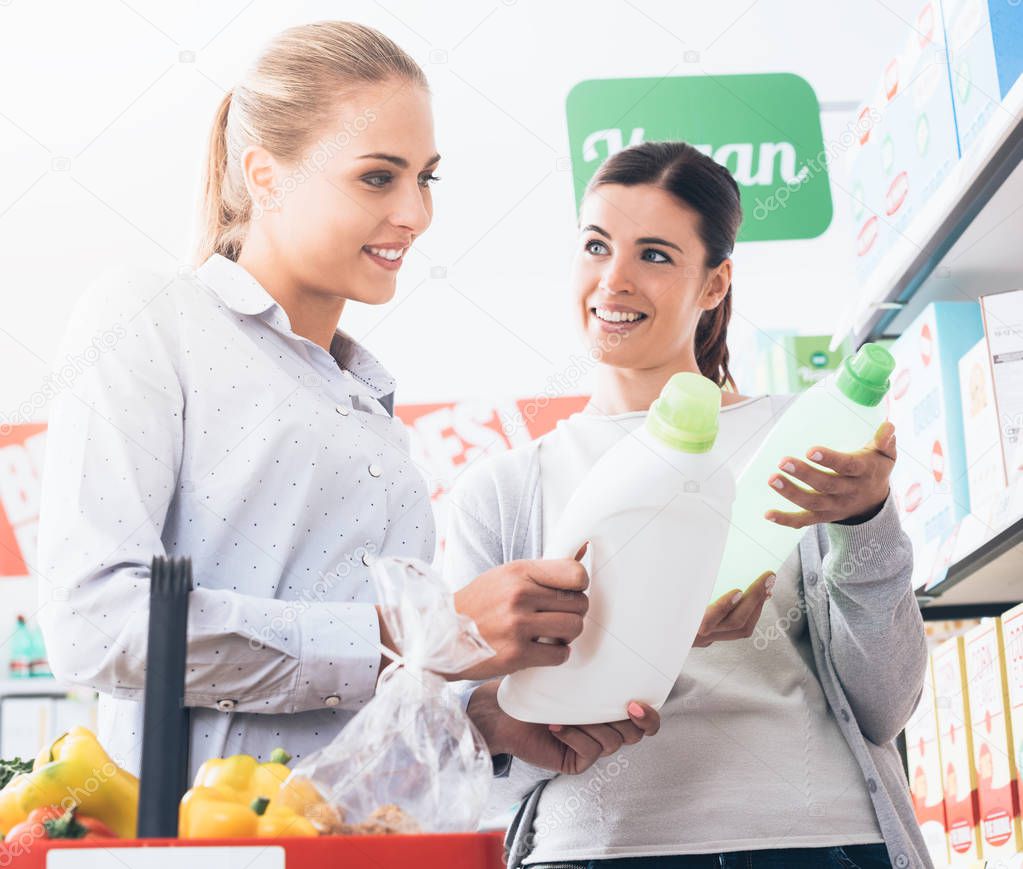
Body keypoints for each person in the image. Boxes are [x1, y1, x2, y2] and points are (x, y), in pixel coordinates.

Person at [35, 20, 661, 780]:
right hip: (222, 845)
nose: (415, 213)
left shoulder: (366, 403)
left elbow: (358, 708)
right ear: (264, 175)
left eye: (426, 177)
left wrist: (485, 720)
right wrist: (423, 630)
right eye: (378, 177)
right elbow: (96, 626)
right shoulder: (151, 317)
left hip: (372, 836)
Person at [445, 142, 928, 869]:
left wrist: (866, 522)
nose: (614, 279)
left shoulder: (803, 447)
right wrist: (638, 643)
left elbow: (883, 704)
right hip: (598, 848)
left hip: (813, 839)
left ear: (714, 283)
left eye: (656, 256)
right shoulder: (504, 492)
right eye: (596, 245)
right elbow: (486, 749)